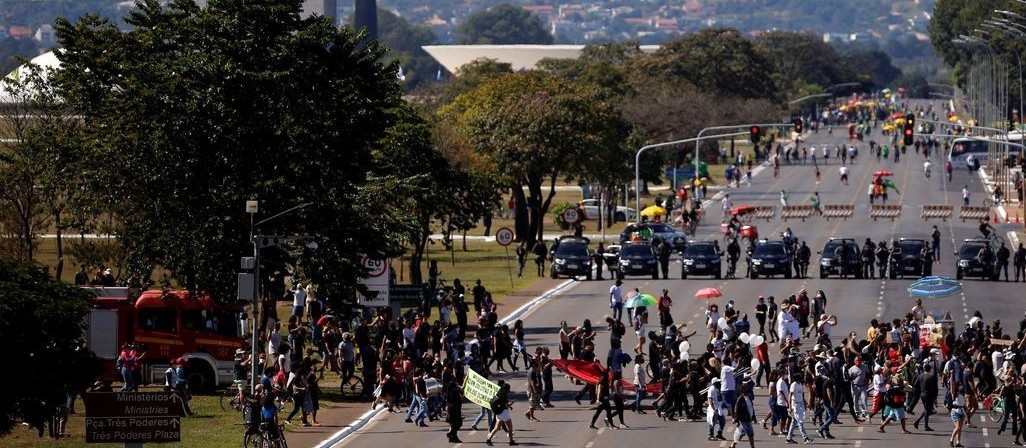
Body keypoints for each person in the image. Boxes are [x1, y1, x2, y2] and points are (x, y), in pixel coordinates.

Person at [486, 381, 517, 446]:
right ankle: (511, 441)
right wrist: (512, 403)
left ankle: (489, 440)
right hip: (504, 413)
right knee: (510, 427)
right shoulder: (504, 395)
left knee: (496, 428)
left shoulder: (498, 394)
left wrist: (509, 404)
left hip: (498, 414)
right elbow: (506, 405)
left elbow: (502, 403)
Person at [730, 383, 756, 448]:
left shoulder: (749, 397)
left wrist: (754, 417)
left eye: (747, 388)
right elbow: (737, 411)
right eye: (745, 389)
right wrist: (737, 421)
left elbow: (751, 407)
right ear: (742, 390)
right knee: (750, 434)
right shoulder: (740, 399)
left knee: (741, 433)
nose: (746, 390)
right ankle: (752, 447)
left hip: (749, 418)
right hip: (744, 419)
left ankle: (733, 445)